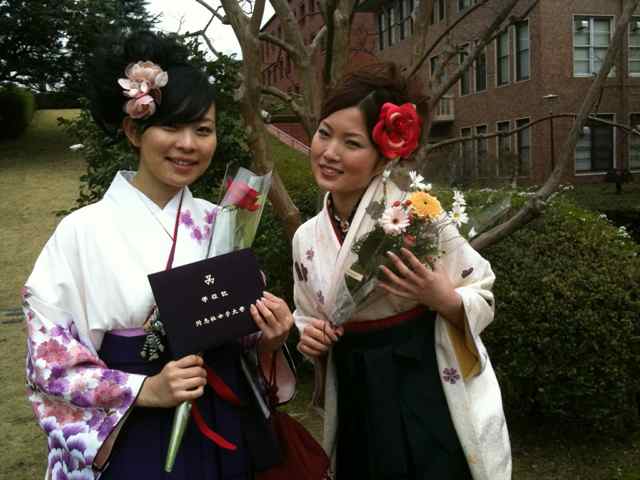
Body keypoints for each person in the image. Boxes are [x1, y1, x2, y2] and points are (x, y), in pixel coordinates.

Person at [23, 31, 294, 480]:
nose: (188, 144)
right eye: (171, 127)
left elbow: (237, 329)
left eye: (203, 130)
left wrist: (267, 334)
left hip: (222, 415)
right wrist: (143, 389)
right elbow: (49, 359)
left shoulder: (221, 221)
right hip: (136, 428)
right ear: (134, 130)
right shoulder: (81, 231)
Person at [293, 61, 512, 479]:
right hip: (355, 381)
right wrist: (311, 337)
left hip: (419, 376)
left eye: (351, 143)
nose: (330, 152)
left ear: (383, 157)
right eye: (324, 133)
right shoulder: (306, 237)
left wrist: (442, 297)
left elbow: (481, 290)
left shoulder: (417, 214)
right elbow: (306, 314)